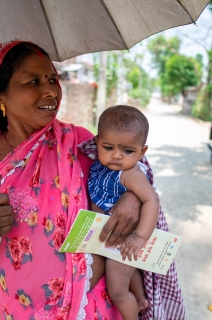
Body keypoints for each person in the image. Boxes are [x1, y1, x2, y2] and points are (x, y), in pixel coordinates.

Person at [0, 41, 143, 320]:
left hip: (95, 306)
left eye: (52, 79)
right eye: (33, 81)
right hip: (25, 312)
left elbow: (133, 170)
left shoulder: (80, 142)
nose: (51, 91)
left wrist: (131, 199)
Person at [87, 105, 159, 320]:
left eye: (128, 151)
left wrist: (139, 237)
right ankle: (140, 299)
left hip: (124, 238)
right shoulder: (100, 165)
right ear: (97, 142)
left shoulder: (130, 173)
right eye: (108, 147)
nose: (117, 156)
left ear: (142, 151)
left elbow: (151, 200)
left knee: (117, 290)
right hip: (107, 235)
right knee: (127, 271)